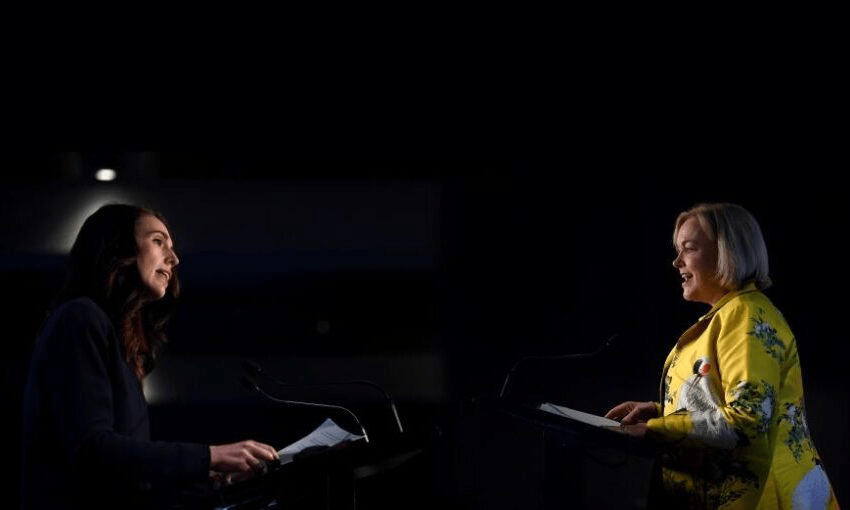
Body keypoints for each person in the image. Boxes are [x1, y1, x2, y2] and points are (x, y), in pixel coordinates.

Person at [20, 204, 279, 510]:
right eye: (158, 242)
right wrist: (208, 456)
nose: (174, 259)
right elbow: (92, 450)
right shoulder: (80, 318)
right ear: (118, 249)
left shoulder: (119, 345)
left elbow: (124, 481)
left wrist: (206, 478)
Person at [605, 203, 840, 509]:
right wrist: (661, 412)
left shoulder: (745, 315)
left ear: (728, 251)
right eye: (678, 250)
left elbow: (747, 421)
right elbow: (720, 403)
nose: (677, 262)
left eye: (689, 249)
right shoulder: (728, 315)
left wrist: (656, 430)